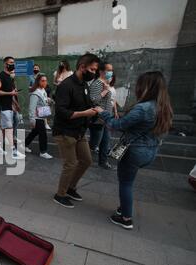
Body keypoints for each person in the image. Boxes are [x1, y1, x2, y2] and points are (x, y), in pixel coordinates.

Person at [94, 71, 173, 230]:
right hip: (151, 151)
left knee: (126, 183)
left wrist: (102, 112)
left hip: (134, 151)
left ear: (147, 87)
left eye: (140, 85)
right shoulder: (164, 107)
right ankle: (124, 207)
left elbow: (116, 125)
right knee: (129, 182)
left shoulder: (143, 108)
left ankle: (125, 218)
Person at [52, 53, 100, 209]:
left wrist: (94, 110)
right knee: (71, 163)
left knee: (86, 160)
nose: (94, 73)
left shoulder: (83, 84)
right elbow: (61, 112)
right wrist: (85, 113)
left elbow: (85, 104)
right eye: (92, 70)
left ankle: (71, 188)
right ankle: (60, 194)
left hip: (79, 131)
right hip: (65, 131)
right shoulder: (66, 85)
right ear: (82, 67)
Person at [0, 56, 25, 160]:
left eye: (13, 62)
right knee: (9, 129)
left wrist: (15, 103)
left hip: (9, 106)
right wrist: (10, 93)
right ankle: (12, 151)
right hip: (4, 107)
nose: (13, 64)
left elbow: (11, 94)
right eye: (11, 62)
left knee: (3, 128)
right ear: (5, 64)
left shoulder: (10, 77)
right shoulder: (1, 76)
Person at [89, 62, 114, 170]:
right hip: (98, 119)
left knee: (105, 142)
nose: (110, 72)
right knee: (94, 143)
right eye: (108, 70)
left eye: (111, 70)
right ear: (101, 71)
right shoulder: (97, 83)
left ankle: (103, 162)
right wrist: (104, 91)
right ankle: (81, 157)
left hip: (107, 118)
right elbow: (93, 99)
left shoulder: (106, 82)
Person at [25, 74, 54, 160]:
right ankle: (43, 152)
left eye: (46, 80)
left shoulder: (43, 91)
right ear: (38, 81)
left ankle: (24, 145)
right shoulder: (35, 93)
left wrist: (49, 100)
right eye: (43, 81)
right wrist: (32, 120)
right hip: (37, 118)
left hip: (42, 116)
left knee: (34, 132)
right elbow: (31, 107)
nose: (45, 82)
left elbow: (44, 100)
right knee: (43, 134)